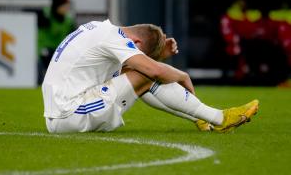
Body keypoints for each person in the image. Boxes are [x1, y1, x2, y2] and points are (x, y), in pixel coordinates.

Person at [42, 20, 259, 133]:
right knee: (146, 73)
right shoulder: (113, 38)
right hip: (69, 114)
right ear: (136, 43)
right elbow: (153, 71)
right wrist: (181, 74)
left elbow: (143, 72)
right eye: (140, 53)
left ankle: (203, 117)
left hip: (61, 113)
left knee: (141, 74)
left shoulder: (100, 29)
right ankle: (219, 118)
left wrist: (156, 57)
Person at [38, 0, 75, 84]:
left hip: (60, 50)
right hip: (44, 50)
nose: (66, 9)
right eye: (64, 6)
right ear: (57, 6)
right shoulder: (45, 14)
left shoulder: (68, 20)